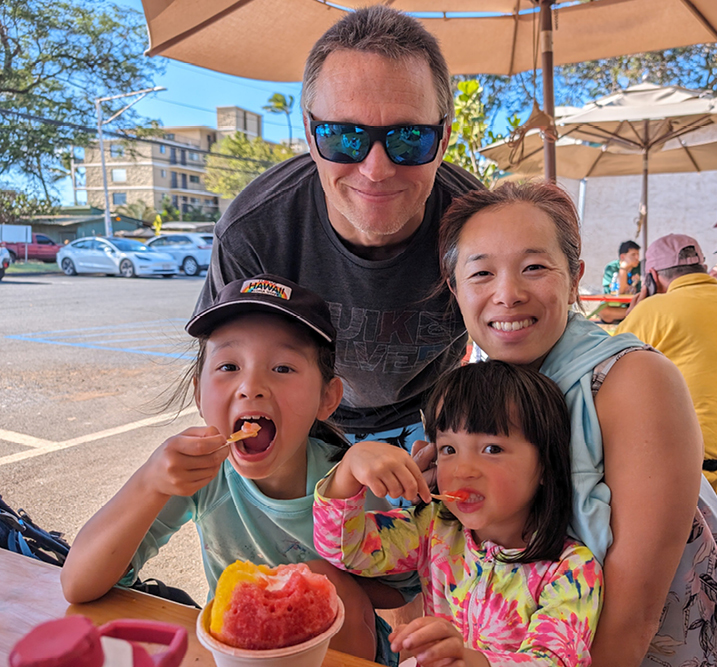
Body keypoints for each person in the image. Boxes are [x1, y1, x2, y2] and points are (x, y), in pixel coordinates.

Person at [414, 182, 717, 667]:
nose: (508, 295)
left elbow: (635, 614)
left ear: (574, 276)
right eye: (480, 273)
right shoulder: (475, 393)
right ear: (455, 288)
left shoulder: (634, 380)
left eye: (534, 267)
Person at [60, 274, 406, 665]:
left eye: (283, 368)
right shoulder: (201, 476)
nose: (251, 386)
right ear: (198, 393)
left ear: (327, 398)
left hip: (345, 653)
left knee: (324, 579)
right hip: (237, 656)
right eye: (228, 365)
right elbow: (78, 584)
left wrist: (332, 573)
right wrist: (149, 482)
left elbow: (399, 589)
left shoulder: (349, 484)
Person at [195, 6, 483, 453]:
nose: (376, 169)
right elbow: (223, 371)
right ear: (311, 136)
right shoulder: (254, 230)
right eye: (344, 137)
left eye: (409, 138)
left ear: (442, 140)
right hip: (299, 422)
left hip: (434, 420)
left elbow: (523, 352)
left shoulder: (477, 225)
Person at [314, 360, 603, 667]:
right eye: (449, 449)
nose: (463, 471)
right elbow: (346, 549)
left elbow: (554, 660)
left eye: (492, 449)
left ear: (545, 464)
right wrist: (348, 470)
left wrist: (472, 662)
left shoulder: (570, 568)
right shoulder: (434, 529)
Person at [614, 235, 717, 541]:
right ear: (705, 268)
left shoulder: (653, 311)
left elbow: (600, 377)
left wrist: (631, 315)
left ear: (651, 277)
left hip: (691, 482)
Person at [598, 240, 641, 323]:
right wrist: (623, 268)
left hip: (634, 304)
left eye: (638, 254)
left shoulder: (640, 267)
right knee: (603, 312)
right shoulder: (612, 267)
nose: (637, 258)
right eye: (633, 254)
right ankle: (637, 314)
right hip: (616, 307)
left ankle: (635, 313)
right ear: (622, 257)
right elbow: (619, 292)